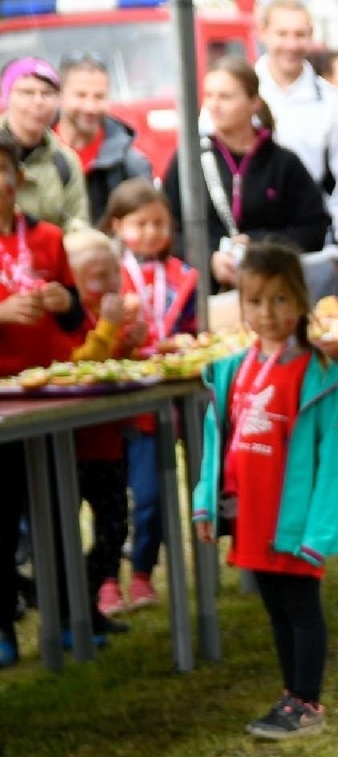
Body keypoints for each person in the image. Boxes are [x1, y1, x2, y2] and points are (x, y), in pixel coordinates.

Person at [192, 241, 338, 739]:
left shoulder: (323, 377)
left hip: (294, 519)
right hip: (252, 517)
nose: (267, 313)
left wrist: (319, 530)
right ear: (241, 304)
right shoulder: (231, 371)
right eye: (256, 301)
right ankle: (291, 695)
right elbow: (215, 444)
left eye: (280, 300)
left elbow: (334, 465)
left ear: (302, 301)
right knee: (276, 608)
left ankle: (308, 703)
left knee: (302, 608)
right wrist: (205, 504)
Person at [0, 130, 85, 667]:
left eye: (3, 173)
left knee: (58, 507)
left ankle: (71, 617)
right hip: (3, 403)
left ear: (18, 179)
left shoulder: (49, 238)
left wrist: (64, 298)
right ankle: (3, 624)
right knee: (2, 519)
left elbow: (77, 314)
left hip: (51, 390)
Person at [100, 179, 200, 615]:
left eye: (160, 223)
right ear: (118, 226)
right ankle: (105, 579)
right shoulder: (105, 275)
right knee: (108, 499)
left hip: (158, 406)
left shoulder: (182, 276)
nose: (152, 233)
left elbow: (193, 330)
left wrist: (184, 343)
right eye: (141, 224)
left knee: (153, 494)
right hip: (109, 405)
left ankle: (142, 572)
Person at [164, 57, 331, 293]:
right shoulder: (189, 160)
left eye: (225, 96)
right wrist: (209, 259)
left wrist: (258, 244)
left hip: (272, 289)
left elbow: (314, 228)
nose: (214, 105)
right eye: (209, 95)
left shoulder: (283, 162)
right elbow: (168, 229)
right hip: (206, 296)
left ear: (253, 102)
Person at [62, 228, 141, 636]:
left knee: (114, 528)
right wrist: (110, 332)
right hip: (74, 447)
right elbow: (82, 365)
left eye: (114, 274)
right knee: (64, 535)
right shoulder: (73, 322)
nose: (109, 284)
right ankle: (70, 612)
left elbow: (111, 365)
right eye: (97, 276)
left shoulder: (104, 317)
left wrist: (130, 345)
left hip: (109, 443)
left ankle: (88, 601)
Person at [252, 0, 338, 300]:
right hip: (252, 251)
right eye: (282, 33)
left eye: (299, 35)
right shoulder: (239, 93)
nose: (291, 44)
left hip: (312, 252)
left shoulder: (330, 103)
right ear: (263, 33)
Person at [54, 53, 153, 224]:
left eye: (99, 97)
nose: (90, 107)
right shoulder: (33, 152)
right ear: (60, 96)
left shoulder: (130, 165)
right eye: (81, 95)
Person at [0, 58, 90, 230]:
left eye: (47, 93)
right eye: (27, 93)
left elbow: (78, 226)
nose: (38, 102)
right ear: (6, 97)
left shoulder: (66, 161)